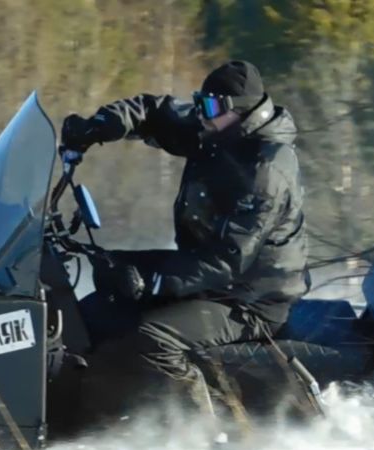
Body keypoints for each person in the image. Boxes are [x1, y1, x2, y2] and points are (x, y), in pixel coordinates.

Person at [59, 59, 308, 419]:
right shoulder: (218, 129)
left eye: (210, 107)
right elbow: (153, 111)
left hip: (250, 298)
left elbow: (228, 258)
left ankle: (204, 428)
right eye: (200, 102)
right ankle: (82, 407)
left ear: (241, 112)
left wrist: (153, 283)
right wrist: (99, 127)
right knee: (103, 294)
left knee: (152, 336)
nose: (201, 114)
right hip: (210, 273)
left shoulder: (265, 169)